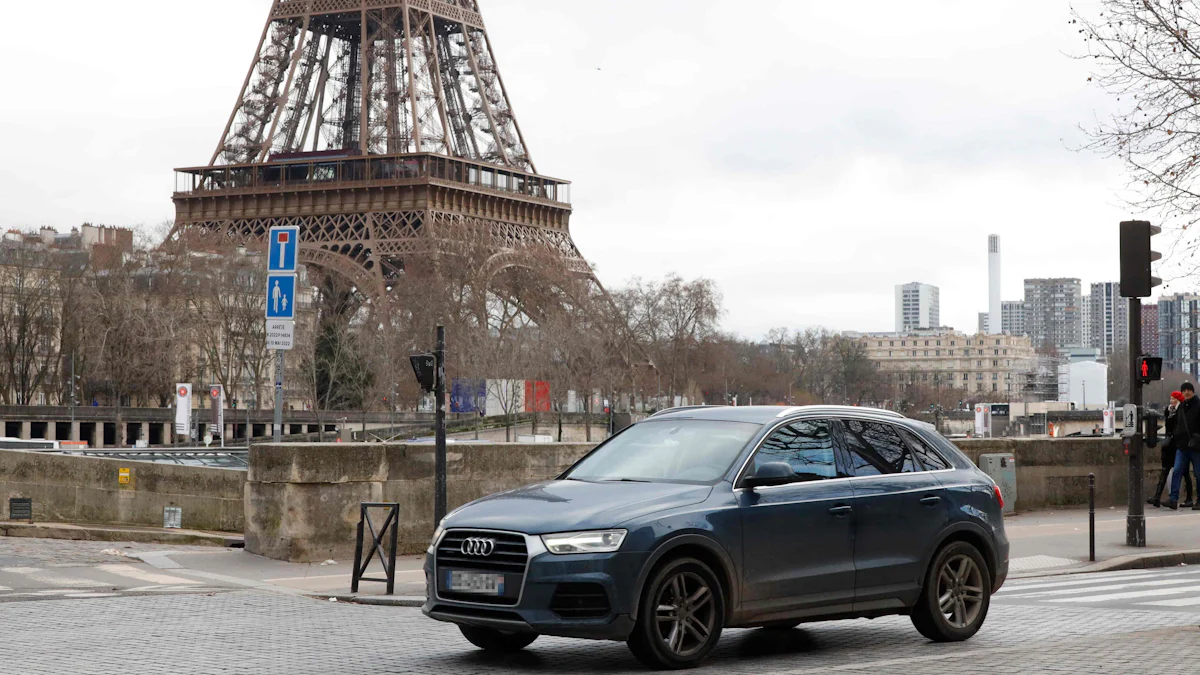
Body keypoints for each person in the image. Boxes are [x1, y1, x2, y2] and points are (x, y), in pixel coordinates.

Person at [1150, 391, 1193, 507]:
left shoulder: (1181, 411)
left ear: (1178, 400)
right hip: (1170, 446)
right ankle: (1157, 497)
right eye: (1170, 399)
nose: (1171, 401)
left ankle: (1188, 497)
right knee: (1166, 470)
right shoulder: (1169, 411)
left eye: (1173, 399)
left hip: (1178, 445)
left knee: (1183, 472)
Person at [1167, 382, 1200, 510]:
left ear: (1192, 391)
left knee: (1198, 474)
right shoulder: (1181, 407)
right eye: (1184, 390)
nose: (1186, 392)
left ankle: (1199, 500)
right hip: (1183, 446)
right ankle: (1173, 499)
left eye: (1188, 390)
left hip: (1196, 446)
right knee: (1177, 471)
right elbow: (1176, 425)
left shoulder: (1198, 405)